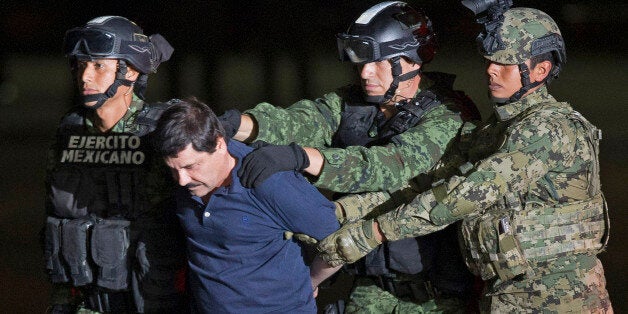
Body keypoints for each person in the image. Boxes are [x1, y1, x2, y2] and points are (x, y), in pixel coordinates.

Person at [317, 6, 613, 313]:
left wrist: (374, 232)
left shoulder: (549, 129)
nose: (491, 70)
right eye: (490, 61)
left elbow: (459, 196)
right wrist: (335, 213)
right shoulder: (493, 130)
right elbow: (424, 183)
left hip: (561, 297)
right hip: (505, 293)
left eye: (506, 63)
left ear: (541, 70)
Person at [220, 1, 480, 312]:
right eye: (361, 63)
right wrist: (231, 125)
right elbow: (301, 121)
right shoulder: (355, 103)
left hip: (434, 298)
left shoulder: (448, 116)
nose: (365, 73)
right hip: (369, 287)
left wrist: (304, 158)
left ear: (411, 62)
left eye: (379, 63)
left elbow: (391, 166)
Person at [43, 16, 187, 313]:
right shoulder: (71, 131)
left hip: (153, 301)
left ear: (130, 71)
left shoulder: (162, 132)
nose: (85, 76)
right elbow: (58, 222)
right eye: (81, 64)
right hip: (86, 302)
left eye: (99, 66)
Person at [152, 98, 341, 313]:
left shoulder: (268, 182)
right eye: (173, 169)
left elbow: (338, 242)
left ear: (219, 144)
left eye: (191, 166)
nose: (182, 180)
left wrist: (309, 284)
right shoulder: (186, 184)